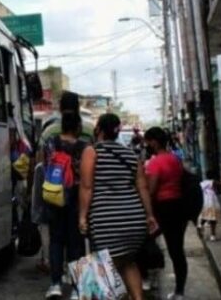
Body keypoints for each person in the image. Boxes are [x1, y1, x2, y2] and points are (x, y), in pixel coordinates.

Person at [79, 114, 158, 300]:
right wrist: (149, 215)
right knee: (129, 263)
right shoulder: (130, 154)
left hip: (106, 220)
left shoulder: (91, 152)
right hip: (134, 220)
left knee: (104, 269)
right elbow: (142, 187)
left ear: (98, 130)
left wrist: (82, 216)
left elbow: (86, 187)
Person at [44, 111, 88, 300]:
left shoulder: (51, 142)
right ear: (77, 126)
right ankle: (77, 291)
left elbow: (43, 165)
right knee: (75, 243)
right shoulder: (84, 146)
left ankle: (55, 284)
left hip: (54, 195)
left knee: (56, 241)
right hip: (76, 197)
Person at [144, 127, 187, 300]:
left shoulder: (155, 163)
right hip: (178, 206)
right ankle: (179, 291)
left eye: (147, 142)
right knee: (177, 250)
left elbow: (152, 190)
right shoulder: (175, 159)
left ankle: (148, 275)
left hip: (162, 207)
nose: (146, 145)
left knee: (144, 239)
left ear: (153, 142)